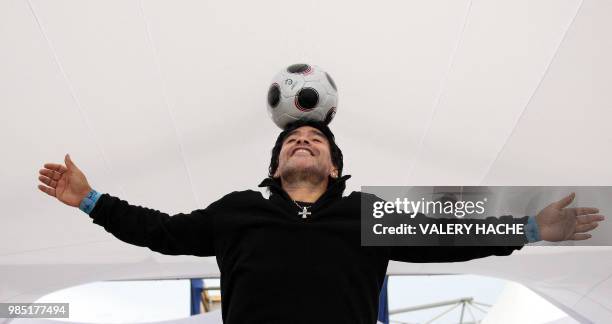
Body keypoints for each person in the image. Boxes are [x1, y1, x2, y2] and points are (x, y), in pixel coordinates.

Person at [37, 120, 604, 324]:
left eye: (315, 141)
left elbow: (447, 236)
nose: (302, 142)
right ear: (277, 164)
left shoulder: (366, 215)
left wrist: (530, 229)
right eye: (292, 140)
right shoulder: (238, 210)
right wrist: (91, 201)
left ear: (334, 167)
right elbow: (159, 232)